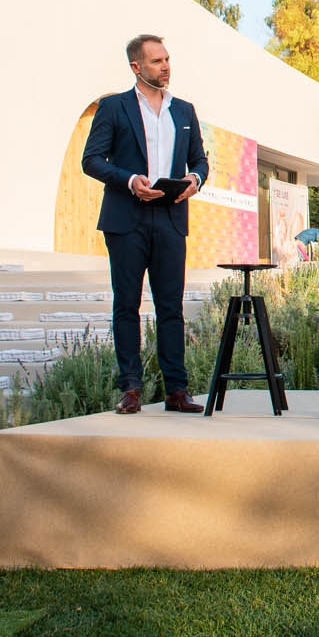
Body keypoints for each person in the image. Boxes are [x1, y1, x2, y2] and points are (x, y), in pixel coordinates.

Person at [80, 34, 208, 415]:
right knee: (127, 305)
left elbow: (200, 161)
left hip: (171, 217)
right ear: (136, 67)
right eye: (156, 61)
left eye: (167, 59)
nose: (165, 66)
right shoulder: (113, 107)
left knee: (171, 308)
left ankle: (176, 391)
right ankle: (131, 389)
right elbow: (91, 160)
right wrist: (130, 180)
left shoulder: (184, 111)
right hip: (127, 219)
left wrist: (195, 180)